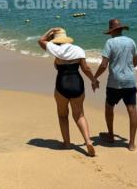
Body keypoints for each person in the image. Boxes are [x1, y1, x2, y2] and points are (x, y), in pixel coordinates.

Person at [38, 27, 96, 157]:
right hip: (77, 83)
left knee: (63, 115)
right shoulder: (78, 49)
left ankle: (67, 143)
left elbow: (41, 40)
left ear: (56, 39)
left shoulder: (55, 49)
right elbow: (85, 68)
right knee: (79, 115)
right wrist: (93, 80)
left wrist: (50, 30)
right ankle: (88, 141)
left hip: (62, 84)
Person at [93, 19, 137, 151]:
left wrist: (95, 78)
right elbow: (136, 62)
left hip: (114, 82)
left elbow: (103, 65)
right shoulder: (131, 41)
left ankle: (111, 135)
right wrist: (128, 69)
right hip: (130, 81)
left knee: (109, 107)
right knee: (132, 110)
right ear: (121, 29)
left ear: (111, 31)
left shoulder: (110, 42)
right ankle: (131, 143)